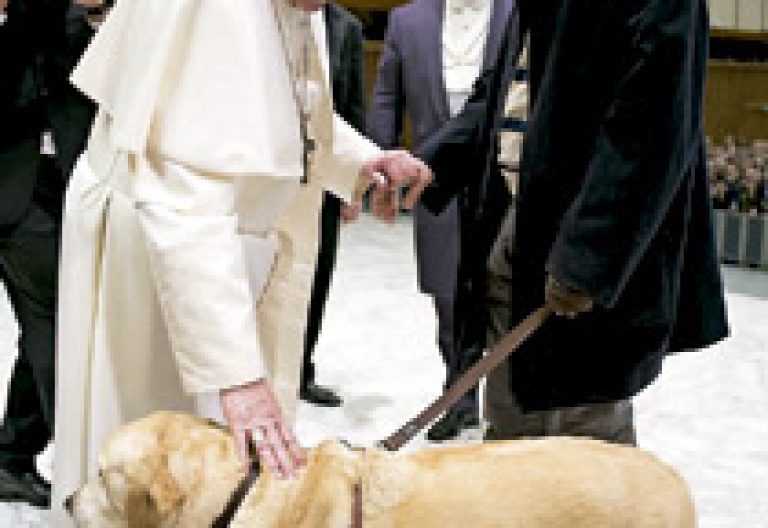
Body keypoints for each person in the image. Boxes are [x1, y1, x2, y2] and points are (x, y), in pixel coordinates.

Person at [50, 0, 431, 524]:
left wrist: (361, 160)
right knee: (157, 476)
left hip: (221, 259)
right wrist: (234, 374)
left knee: (220, 473)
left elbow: (287, 104)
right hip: (162, 262)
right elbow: (183, 200)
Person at [405, 0, 729, 444]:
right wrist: (435, 160)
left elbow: (653, 123)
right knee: (510, 444)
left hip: (588, 250)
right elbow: (504, 90)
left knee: (584, 453)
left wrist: (588, 259)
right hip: (514, 238)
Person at [367, 0, 515, 441]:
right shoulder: (406, 20)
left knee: (505, 289)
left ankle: (507, 401)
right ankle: (459, 397)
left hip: (503, 180)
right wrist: (380, 173)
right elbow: (386, 99)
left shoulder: (517, 12)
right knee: (448, 298)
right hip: (431, 178)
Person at [0, 0, 97, 508]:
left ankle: (12, 454)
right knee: (57, 328)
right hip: (14, 191)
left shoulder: (69, 24)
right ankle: (83, 476)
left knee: (52, 324)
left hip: (52, 187)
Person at [300, 1, 365, 408]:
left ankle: (302, 370)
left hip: (325, 173)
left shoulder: (348, 28)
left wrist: (352, 184)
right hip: (267, 175)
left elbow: (351, 106)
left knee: (318, 274)